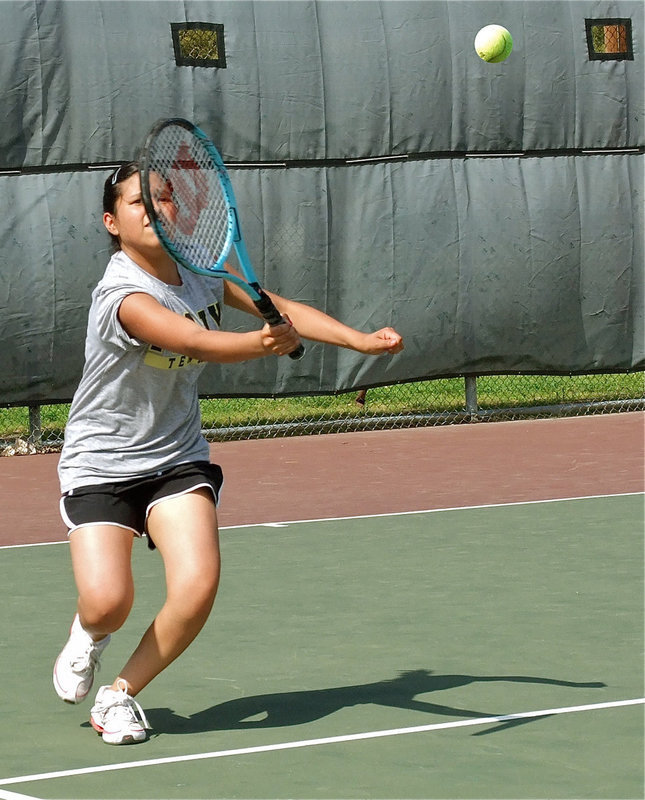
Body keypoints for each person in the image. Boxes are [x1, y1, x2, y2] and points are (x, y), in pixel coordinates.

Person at [53, 161, 404, 745]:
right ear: (113, 223)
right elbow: (192, 340)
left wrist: (359, 339)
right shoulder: (122, 296)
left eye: (163, 198)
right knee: (109, 602)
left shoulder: (202, 271)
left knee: (197, 584)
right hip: (102, 464)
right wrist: (260, 343)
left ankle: (119, 696)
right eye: (138, 202)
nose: (154, 208)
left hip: (175, 456)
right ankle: (89, 635)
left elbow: (280, 304)